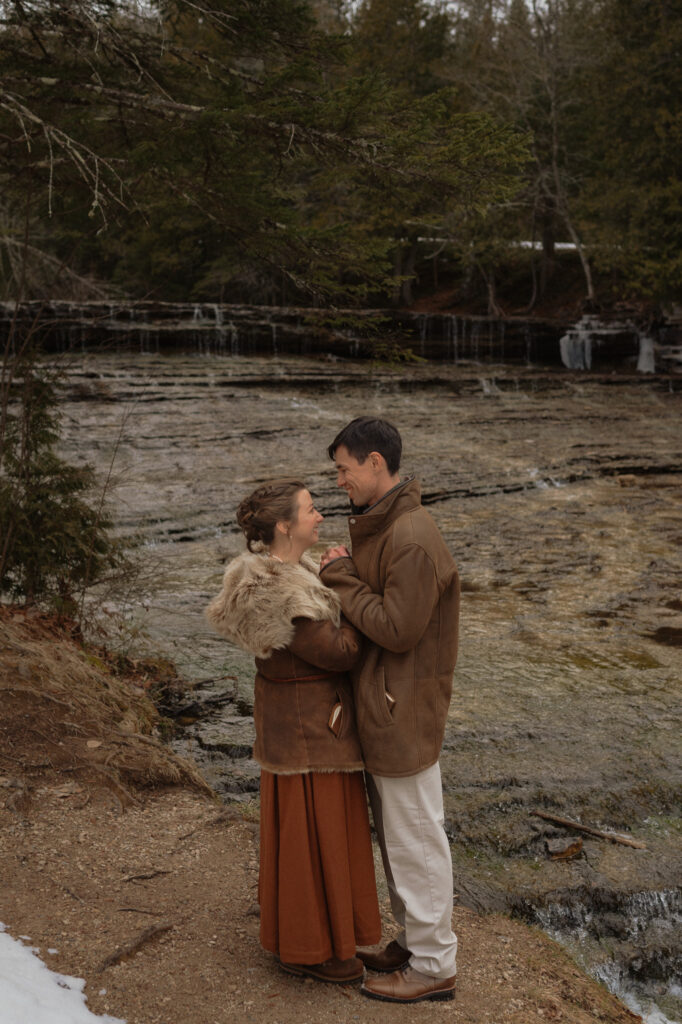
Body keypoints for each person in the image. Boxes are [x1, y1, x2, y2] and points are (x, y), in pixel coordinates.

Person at [205, 479, 381, 985]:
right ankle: (312, 949)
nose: (319, 515)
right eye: (310, 509)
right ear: (284, 525)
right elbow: (342, 652)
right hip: (311, 733)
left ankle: (316, 940)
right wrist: (354, 591)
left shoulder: (287, 573)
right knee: (315, 834)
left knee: (308, 834)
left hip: (299, 727)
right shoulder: (284, 591)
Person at [320, 417, 460, 1004]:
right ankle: (416, 939)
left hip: (404, 707)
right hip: (387, 703)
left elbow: (399, 631)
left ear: (376, 464)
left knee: (417, 836)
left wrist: (340, 577)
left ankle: (434, 966)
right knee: (401, 834)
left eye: (344, 469)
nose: (340, 481)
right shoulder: (386, 527)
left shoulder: (411, 536)